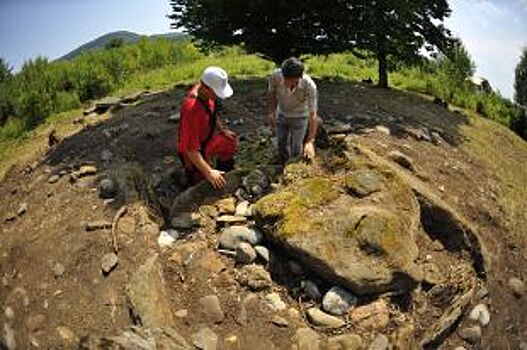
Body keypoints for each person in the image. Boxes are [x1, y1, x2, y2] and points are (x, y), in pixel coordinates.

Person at [177, 66, 237, 189]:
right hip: (192, 151)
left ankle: (224, 173)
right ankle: (200, 176)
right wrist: (209, 172)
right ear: (205, 88)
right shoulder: (191, 110)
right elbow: (190, 150)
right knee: (202, 183)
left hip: (206, 141)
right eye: (216, 92)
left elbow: (212, 113)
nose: (218, 96)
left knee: (229, 141)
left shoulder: (205, 92)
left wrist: (222, 130)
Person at [267, 57, 318, 163]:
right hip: (282, 114)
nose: (286, 82)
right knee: (281, 143)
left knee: (296, 148)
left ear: (299, 78)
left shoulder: (309, 85)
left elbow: (313, 114)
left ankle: (294, 168)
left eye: (290, 80)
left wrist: (310, 141)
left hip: (300, 117)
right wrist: (271, 112)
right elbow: (271, 93)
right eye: (285, 78)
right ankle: (282, 165)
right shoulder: (275, 76)